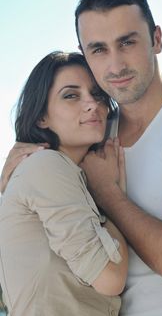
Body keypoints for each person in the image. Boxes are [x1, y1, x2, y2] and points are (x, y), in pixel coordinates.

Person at [1, 0, 162, 316]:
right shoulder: (95, 133)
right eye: (98, 49)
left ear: (156, 39)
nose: (115, 65)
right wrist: (13, 170)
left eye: (127, 42)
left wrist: (108, 193)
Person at [0, 51, 128, 316]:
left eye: (98, 94)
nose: (92, 104)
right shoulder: (45, 165)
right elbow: (110, 277)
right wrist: (109, 193)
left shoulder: (69, 176)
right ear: (41, 118)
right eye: (71, 95)